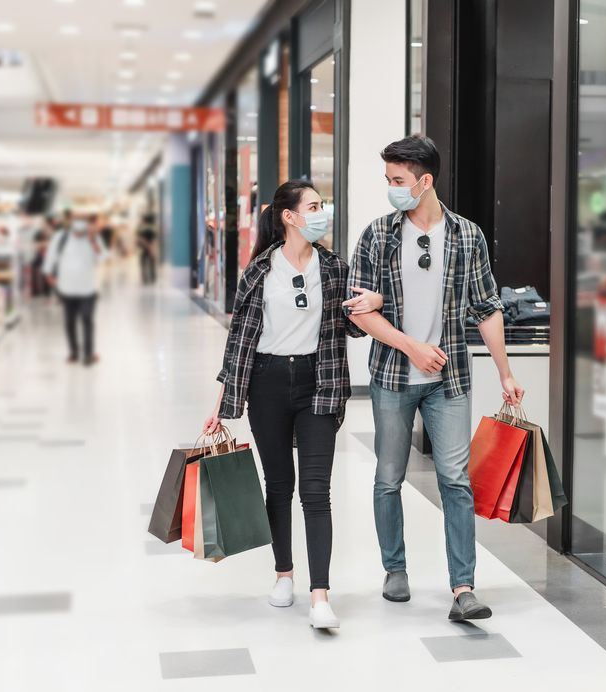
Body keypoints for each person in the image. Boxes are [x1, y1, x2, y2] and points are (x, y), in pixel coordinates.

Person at [345, 134, 525, 622]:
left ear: (425, 182)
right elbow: (358, 311)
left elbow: (487, 308)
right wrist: (413, 348)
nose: (392, 188)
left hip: (450, 382)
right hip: (392, 377)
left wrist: (506, 372)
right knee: (389, 478)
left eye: (398, 181)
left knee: (455, 481)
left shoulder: (467, 236)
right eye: (388, 180)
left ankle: (463, 587)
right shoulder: (378, 235)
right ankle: (395, 569)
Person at [202, 180, 383, 630]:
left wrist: (373, 302)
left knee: (316, 491)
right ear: (290, 216)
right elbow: (240, 341)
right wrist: (220, 401)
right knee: (278, 485)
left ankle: (320, 594)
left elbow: (355, 328)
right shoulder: (260, 270)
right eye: (315, 206)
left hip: (318, 383)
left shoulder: (334, 267)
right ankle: (284, 573)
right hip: (266, 382)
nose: (322, 213)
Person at [43, 215, 107, 365]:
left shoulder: (93, 238)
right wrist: (49, 277)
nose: (79, 225)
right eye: (76, 221)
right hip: (67, 288)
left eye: (83, 221)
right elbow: (51, 257)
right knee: (69, 322)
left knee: (87, 319)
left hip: (88, 288)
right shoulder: (61, 237)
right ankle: (73, 352)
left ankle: (89, 354)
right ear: (71, 223)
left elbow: (103, 257)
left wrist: (92, 240)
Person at [137, 214, 158, 285]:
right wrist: (151, 247)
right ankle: (152, 278)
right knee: (151, 262)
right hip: (150, 246)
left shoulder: (141, 227)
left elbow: (139, 238)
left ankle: (145, 278)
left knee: (143, 263)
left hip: (143, 248)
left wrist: (147, 246)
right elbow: (154, 238)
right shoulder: (153, 227)